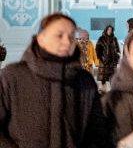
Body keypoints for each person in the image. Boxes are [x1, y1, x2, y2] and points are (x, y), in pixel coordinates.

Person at [0, 13, 110, 147]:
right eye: (59, 35)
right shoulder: (13, 76)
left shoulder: (84, 81)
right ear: (41, 38)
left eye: (71, 37)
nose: (67, 41)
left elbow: (97, 132)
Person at [96, 25, 119, 92]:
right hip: (104, 62)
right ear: (106, 30)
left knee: (112, 78)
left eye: (111, 30)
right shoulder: (101, 38)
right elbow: (97, 50)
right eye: (108, 30)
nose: (110, 31)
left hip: (112, 62)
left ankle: (112, 94)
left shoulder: (114, 39)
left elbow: (117, 50)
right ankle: (103, 93)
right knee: (103, 78)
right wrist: (101, 58)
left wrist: (117, 58)